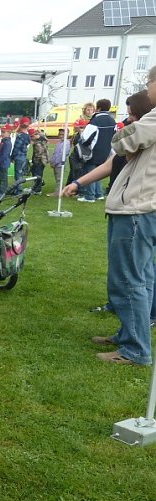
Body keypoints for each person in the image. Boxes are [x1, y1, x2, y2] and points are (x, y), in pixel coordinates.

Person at [74, 69, 156, 365]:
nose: (147, 91)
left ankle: (135, 350)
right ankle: (129, 336)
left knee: (128, 280)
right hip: (141, 208)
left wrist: (128, 129)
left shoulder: (154, 117)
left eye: (149, 84)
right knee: (142, 278)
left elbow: (123, 143)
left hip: (136, 209)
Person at [78, 98, 118, 203]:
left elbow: (86, 137)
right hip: (106, 150)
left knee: (91, 172)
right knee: (99, 172)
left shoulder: (95, 120)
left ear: (98, 108)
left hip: (94, 150)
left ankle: (90, 196)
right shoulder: (112, 121)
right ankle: (98, 193)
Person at [47, 129, 71, 197]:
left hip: (59, 164)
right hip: (56, 163)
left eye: (62, 134)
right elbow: (55, 153)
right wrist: (52, 161)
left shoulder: (66, 143)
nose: (61, 136)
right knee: (58, 178)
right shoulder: (59, 143)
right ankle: (60, 191)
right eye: (60, 134)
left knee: (59, 179)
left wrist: (55, 163)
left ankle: (58, 193)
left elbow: (61, 155)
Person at [11, 121, 31, 193]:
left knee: (17, 174)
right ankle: (19, 187)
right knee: (20, 172)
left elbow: (16, 147)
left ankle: (18, 189)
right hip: (23, 156)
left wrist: (12, 157)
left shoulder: (20, 137)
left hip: (18, 156)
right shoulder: (27, 136)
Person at [29, 128, 49, 195]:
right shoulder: (42, 139)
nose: (31, 138)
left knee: (38, 174)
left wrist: (35, 160)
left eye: (31, 136)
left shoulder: (38, 143)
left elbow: (39, 153)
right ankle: (40, 183)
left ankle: (38, 190)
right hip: (43, 160)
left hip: (40, 161)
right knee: (34, 171)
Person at [0, 124, 13, 196]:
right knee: (1, 177)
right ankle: (1, 191)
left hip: (4, 162)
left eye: (4, 132)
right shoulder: (4, 141)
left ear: (9, 133)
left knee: (3, 178)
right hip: (3, 162)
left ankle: (2, 192)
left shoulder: (7, 142)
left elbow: (4, 154)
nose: (2, 134)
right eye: (2, 132)